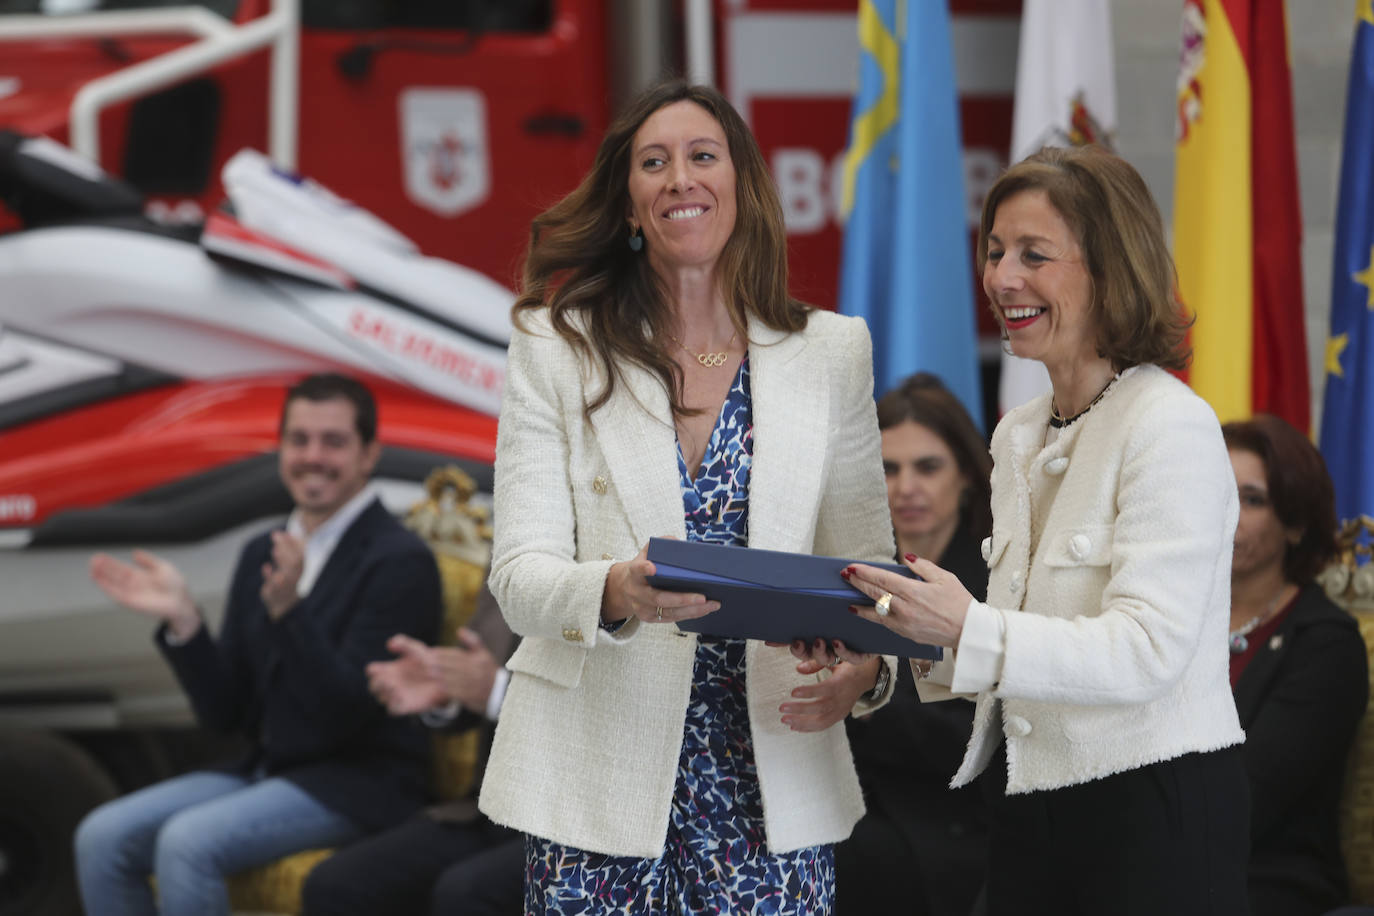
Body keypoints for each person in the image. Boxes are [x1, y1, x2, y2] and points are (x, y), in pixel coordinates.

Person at [476, 79, 897, 913]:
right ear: (629, 206)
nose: (680, 179)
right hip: (595, 780)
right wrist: (611, 589)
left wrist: (869, 670)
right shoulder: (554, 346)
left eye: (702, 157)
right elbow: (518, 575)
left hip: (773, 774)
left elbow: (871, 574)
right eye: (653, 163)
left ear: (740, 187)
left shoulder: (831, 351)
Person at [841, 145, 1250, 916]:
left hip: (1151, 811)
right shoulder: (1018, 433)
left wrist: (968, 623)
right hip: (1028, 806)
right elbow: (1023, 642)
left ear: (1110, 268)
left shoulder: (1171, 424)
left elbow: (1146, 649)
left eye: (1034, 254)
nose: (1000, 278)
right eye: (995, 251)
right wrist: (884, 670)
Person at [74, 373, 441, 916]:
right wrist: (186, 623)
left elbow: (347, 714)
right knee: (101, 836)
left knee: (188, 842)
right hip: (266, 769)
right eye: (299, 440)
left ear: (369, 455)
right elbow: (227, 716)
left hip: (360, 780)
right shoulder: (261, 552)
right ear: (281, 450)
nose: (313, 456)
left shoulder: (399, 561)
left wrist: (291, 613)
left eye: (333, 442)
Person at [836, 372, 990, 916]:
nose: (905, 487)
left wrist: (866, 697)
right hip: (845, 811)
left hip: (949, 833)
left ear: (967, 476)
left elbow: (970, 744)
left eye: (927, 467)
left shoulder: (992, 585)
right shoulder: (844, 569)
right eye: (888, 468)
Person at [300, 584, 524, 916]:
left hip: (584, 825)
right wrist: (446, 692)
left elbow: (621, 722)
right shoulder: (518, 545)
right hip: (491, 810)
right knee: (333, 884)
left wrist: (499, 694)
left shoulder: (622, 568)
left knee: (466, 893)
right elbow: (480, 672)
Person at [1222, 414, 1369, 916]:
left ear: (1296, 523)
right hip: (1151, 861)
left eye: (1252, 499)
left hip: (1266, 883)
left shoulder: (1326, 645)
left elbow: (1244, 803)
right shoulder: (1164, 620)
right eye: (1215, 490)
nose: (1225, 511)